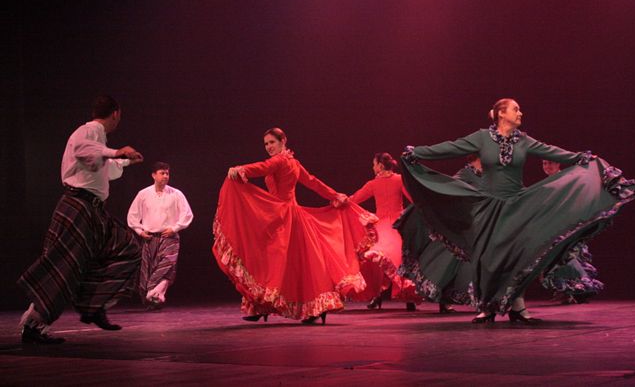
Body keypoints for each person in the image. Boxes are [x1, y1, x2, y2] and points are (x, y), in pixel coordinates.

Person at [402, 98, 635, 323]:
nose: (520, 113)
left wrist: (580, 158)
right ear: (501, 113)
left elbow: (550, 150)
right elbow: (450, 147)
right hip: (490, 207)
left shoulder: (523, 140)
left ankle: (518, 307)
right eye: (516, 109)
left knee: (519, 256)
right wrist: (418, 152)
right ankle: (487, 308)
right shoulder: (482, 138)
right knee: (487, 258)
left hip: (517, 205)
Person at [212, 128, 377, 325]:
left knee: (273, 262)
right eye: (266, 144)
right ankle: (265, 306)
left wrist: (241, 169)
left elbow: (264, 167)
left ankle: (269, 306)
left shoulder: (281, 160)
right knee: (283, 264)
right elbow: (313, 182)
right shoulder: (293, 162)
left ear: (283, 141)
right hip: (283, 215)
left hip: (283, 217)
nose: (269, 147)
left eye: (272, 142)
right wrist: (334, 195)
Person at [17, 95, 144, 344]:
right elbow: (84, 150)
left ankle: (93, 304)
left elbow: (102, 168)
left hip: (92, 209)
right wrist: (116, 151)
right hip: (78, 206)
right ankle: (33, 324)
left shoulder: (99, 141)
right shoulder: (89, 130)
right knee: (64, 267)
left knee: (127, 247)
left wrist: (123, 161)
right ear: (116, 113)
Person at [396, 154, 482, 313]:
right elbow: (446, 190)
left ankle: (477, 300)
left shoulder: (486, 175)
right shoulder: (465, 174)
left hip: (476, 227)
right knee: (446, 265)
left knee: (467, 266)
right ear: (475, 158)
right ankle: (446, 301)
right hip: (461, 227)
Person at [349, 153, 422, 311]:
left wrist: (341, 201)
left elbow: (354, 199)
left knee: (386, 258)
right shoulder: (385, 182)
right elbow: (413, 198)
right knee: (392, 258)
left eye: (374, 164)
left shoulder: (384, 182)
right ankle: (387, 295)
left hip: (390, 225)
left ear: (381, 166)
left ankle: (393, 295)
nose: (372, 167)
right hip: (392, 225)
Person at [127, 162, 194, 309]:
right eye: (162, 173)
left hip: (169, 237)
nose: (165, 176)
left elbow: (187, 214)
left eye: (167, 173)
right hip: (150, 238)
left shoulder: (176, 194)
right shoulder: (143, 194)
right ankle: (155, 298)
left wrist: (175, 228)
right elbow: (132, 216)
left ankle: (153, 294)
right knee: (150, 269)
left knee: (166, 266)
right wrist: (140, 231)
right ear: (153, 175)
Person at [539, 160, 604, 304]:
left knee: (566, 255)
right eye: (544, 164)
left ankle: (575, 289)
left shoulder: (564, 180)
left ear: (558, 164)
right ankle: (567, 290)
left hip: (565, 224)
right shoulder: (543, 184)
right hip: (551, 225)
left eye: (550, 163)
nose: (547, 166)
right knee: (556, 256)